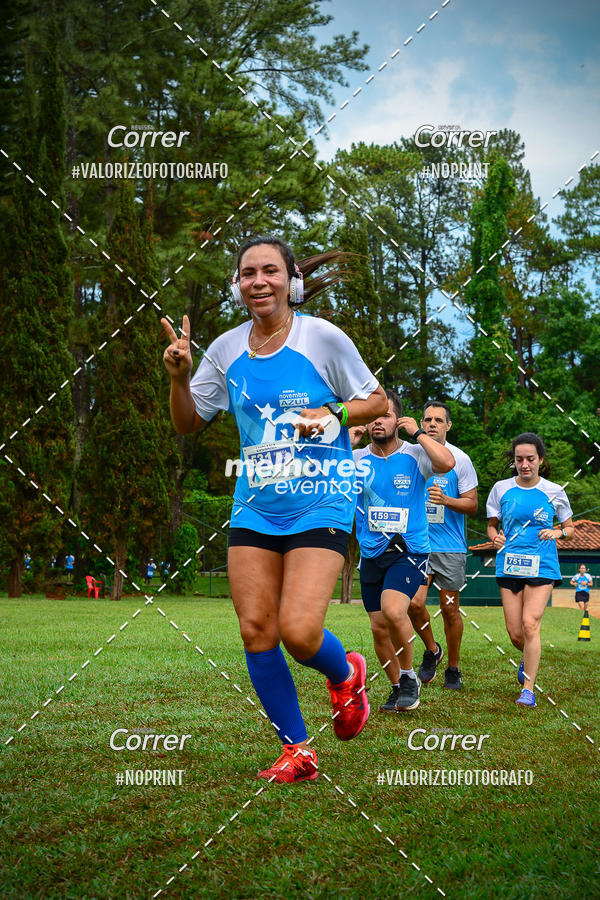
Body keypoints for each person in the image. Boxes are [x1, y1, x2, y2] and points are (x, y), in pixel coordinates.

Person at [161, 234, 387, 783]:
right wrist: (177, 377)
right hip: (256, 507)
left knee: (299, 631)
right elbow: (189, 422)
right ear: (238, 286)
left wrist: (330, 413)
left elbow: (377, 400)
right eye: (247, 274)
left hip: (322, 498)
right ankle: (298, 750)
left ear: (291, 280)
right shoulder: (224, 349)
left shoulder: (322, 338)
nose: (258, 281)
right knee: (256, 629)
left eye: (269, 271)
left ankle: (347, 672)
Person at [350, 391, 455, 712]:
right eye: (371, 417)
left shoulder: (415, 454)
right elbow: (318, 477)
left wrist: (419, 433)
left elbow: (446, 462)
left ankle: (409, 676)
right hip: (370, 552)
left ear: (399, 420)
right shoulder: (354, 460)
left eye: (384, 415)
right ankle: (397, 687)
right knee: (379, 626)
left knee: (395, 610)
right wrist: (345, 441)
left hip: (409, 549)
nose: (376, 422)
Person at [486, 433, 574, 707]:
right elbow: (492, 525)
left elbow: (570, 529)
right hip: (509, 563)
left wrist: (557, 532)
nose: (524, 465)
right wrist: (494, 536)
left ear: (541, 460)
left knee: (530, 624)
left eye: (530, 459)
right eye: (519, 459)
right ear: (514, 461)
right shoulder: (501, 489)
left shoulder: (554, 491)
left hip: (542, 565)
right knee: (515, 634)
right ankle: (528, 656)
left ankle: (528, 689)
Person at [408, 401, 478, 690]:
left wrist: (446, 500)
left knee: (450, 609)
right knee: (413, 603)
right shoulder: (410, 455)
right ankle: (431, 648)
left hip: (450, 548)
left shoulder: (460, 459)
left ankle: (453, 667)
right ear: (421, 425)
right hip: (418, 544)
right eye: (427, 419)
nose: (432, 424)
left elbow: (472, 504)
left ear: (448, 425)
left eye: (438, 420)